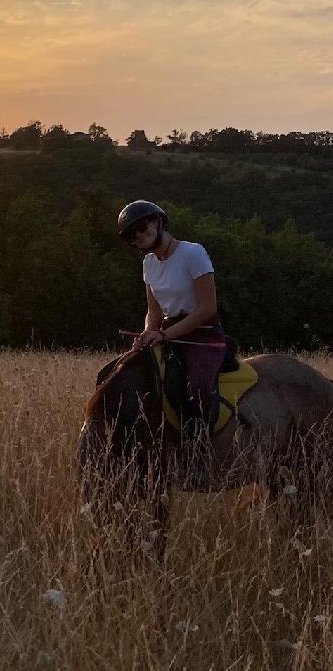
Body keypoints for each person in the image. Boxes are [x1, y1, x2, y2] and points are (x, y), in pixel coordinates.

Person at [118, 200, 225, 489]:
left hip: (202, 333)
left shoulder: (193, 253)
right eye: (131, 235)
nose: (139, 236)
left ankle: (199, 456)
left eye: (142, 227)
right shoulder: (148, 264)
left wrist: (165, 335)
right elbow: (153, 311)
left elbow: (207, 307)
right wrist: (147, 333)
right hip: (167, 332)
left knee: (197, 388)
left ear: (158, 221)